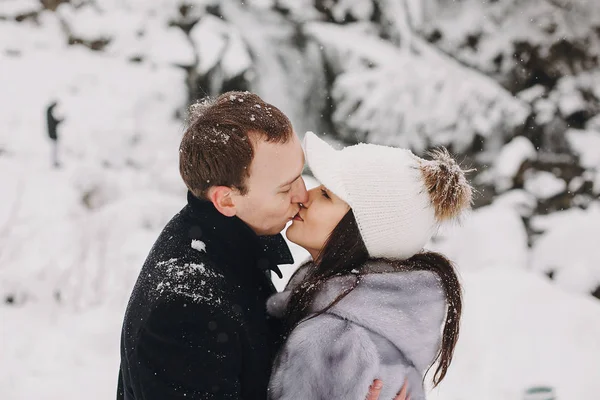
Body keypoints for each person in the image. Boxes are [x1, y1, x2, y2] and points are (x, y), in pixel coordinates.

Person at [117, 92, 407, 400]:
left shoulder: (227, 246)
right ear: (226, 199)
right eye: (285, 188)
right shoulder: (185, 312)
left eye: (300, 175)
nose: (302, 194)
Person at [267, 132, 473, 400]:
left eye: (327, 195)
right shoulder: (387, 328)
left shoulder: (332, 341)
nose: (305, 195)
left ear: (359, 232)